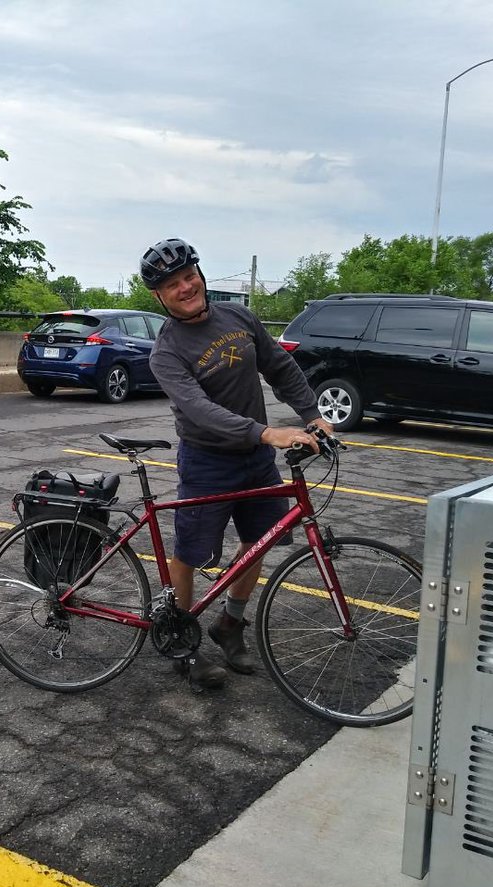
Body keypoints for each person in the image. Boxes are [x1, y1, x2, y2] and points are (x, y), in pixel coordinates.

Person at [141, 237, 332, 690]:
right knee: (189, 553)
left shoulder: (239, 316)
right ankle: (181, 640)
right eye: (172, 285)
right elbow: (198, 409)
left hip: (256, 459)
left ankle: (229, 624)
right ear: (159, 296)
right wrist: (266, 431)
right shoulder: (166, 352)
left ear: (200, 274)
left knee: (259, 543)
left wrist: (314, 416)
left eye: (189, 276)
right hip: (207, 462)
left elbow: (280, 368)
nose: (185, 287)